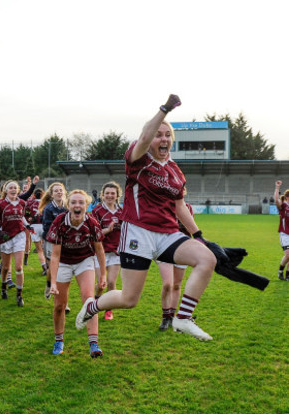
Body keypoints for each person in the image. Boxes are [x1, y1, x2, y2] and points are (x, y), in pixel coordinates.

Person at [75, 94, 219, 342]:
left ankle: (182, 318)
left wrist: (198, 235)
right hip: (137, 231)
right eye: (158, 135)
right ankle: (92, 306)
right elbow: (143, 137)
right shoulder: (138, 159)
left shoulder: (174, 170)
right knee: (129, 299)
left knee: (207, 259)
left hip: (167, 234)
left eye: (167, 135)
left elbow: (180, 206)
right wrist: (164, 110)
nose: (163, 139)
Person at [47, 190, 106, 357]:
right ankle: (59, 340)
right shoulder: (60, 222)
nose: (77, 205)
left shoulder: (92, 223)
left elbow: (100, 251)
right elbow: (55, 255)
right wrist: (52, 283)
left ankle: (94, 344)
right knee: (59, 305)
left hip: (84, 261)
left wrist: (102, 276)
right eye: (74, 202)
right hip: (64, 263)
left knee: (89, 301)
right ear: (68, 205)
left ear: (87, 206)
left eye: (81, 203)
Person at [158, 194, 193, 330]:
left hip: (182, 248)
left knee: (177, 285)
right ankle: (165, 316)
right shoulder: (161, 207)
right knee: (167, 284)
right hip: (164, 248)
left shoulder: (188, 208)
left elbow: (189, 228)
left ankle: (172, 316)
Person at [0, 180, 28, 306]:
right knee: (6, 267)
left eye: (15, 188)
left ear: (18, 190)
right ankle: (3, 286)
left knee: (18, 267)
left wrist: (28, 225)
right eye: (10, 187)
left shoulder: (22, 203)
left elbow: (22, 217)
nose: (13, 189)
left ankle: (19, 295)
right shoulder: (0, 204)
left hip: (19, 235)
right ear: (6, 190)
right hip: (6, 236)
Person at [91, 181, 123, 320]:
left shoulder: (122, 211)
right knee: (100, 284)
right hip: (100, 252)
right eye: (107, 193)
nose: (110, 196)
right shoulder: (97, 211)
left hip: (116, 252)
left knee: (111, 282)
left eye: (113, 193)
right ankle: (95, 303)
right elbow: (93, 234)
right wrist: (107, 230)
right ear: (102, 195)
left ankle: (108, 310)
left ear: (117, 195)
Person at [39, 182, 68, 301]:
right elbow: (47, 227)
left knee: (63, 267)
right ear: (51, 194)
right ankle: (49, 284)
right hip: (51, 241)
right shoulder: (49, 208)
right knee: (52, 267)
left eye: (61, 190)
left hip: (65, 241)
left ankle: (62, 297)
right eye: (56, 190)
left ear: (64, 192)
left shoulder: (67, 206)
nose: (59, 192)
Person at [25, 188, 47, 276]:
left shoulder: (30, 203)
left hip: (34, 227)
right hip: (44, 226)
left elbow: (26, 214)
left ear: (34, 195)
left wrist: (30, 218)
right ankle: (49, 266)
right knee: (46, 248)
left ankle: (44, 268)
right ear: (42, 194)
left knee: (39, 250)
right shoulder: (46, 203)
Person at [273, 180, 289, 281]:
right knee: (288, 254)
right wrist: (277, 187)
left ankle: (287, 275)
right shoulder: (283, 206)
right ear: (287, 197)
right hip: (285, 234)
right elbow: (276, 200)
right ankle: (280, 272)